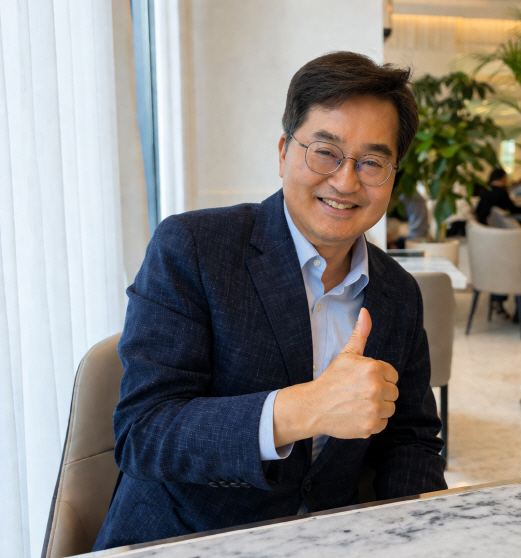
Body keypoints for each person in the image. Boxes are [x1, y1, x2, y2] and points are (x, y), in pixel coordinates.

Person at [93, 52, 447, 551]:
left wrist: (419, 540)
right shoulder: (194, 248)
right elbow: (144, 433)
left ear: (392, 176)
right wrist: (306, 408)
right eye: (324, 152)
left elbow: (411, 442)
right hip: (187, 539)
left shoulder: (399, 293)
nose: (345, 181)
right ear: (283, 152)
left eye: (372, 162)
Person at [475, 168, 521, 317]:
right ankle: (520, 310)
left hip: (486, 241)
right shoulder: (501, 192)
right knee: (519, 257)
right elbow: (514, 210)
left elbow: (478, 214)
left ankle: (497, 301)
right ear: (503, 178)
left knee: (505, 263)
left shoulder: (484, 192)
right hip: (504, 241)